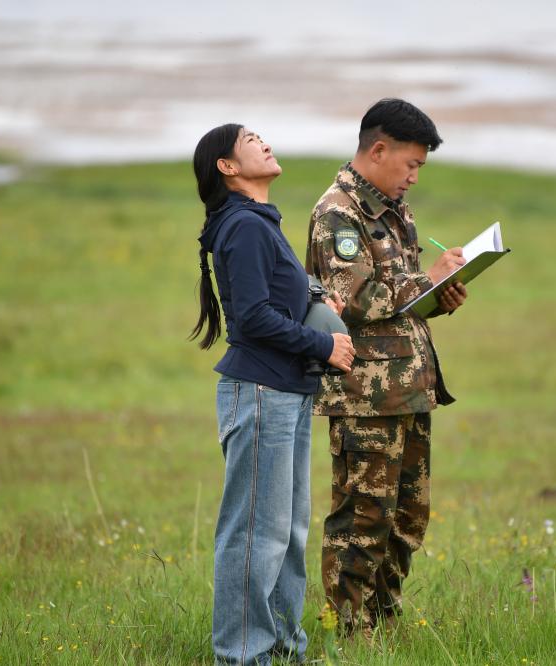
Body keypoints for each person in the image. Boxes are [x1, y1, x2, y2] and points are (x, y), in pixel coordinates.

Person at [191, 123, 356, 665]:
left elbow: (270, 301)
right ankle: (243, 655)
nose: (264, 142)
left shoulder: (258, 221)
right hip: (261, 392)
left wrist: (314, 302)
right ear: (228, 167)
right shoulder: (244, 225)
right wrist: (323, 344)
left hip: (285, 391)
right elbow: (253, 318)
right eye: (250, 140)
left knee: (286, 532)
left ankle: (284, 650)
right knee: (254, 535)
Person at [305, 98, 468, 636]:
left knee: (407, 517)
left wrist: (438, 296)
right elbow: (353, 298)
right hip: (365, 396)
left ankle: (384, 620)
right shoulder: (338, 212)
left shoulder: (395, 210)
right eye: (411, 164)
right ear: (378, 150)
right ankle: (350, 633)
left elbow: (397, 305)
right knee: (363, 517)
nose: (414, 177)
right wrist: (427, 280)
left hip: (409, 388)